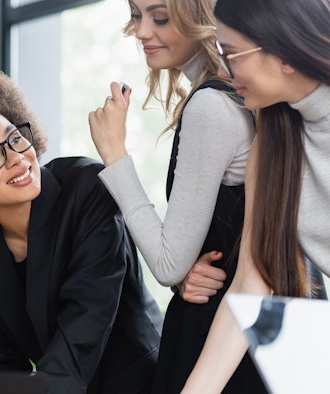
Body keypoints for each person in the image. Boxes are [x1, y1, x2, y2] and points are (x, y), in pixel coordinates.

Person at [180, 0, 330, 393]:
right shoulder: (272, 153)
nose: (223, 70)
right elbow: (250, 286)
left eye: (231, 53)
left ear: (284, 52)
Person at [0, 64, 164, 393]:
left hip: (143, 384)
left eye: (15, 139)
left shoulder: (87, 190)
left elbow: (85, 325)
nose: (17, 158)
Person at [88, 0, 267, 392]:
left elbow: (169, 262)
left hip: (223, 344)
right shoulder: (236, 98)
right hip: (249, 334)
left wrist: (114, 154)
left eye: (161, 18)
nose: (141, 32)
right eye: (136, 15)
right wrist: (183, 275)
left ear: (201, 19)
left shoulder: (211, 107)